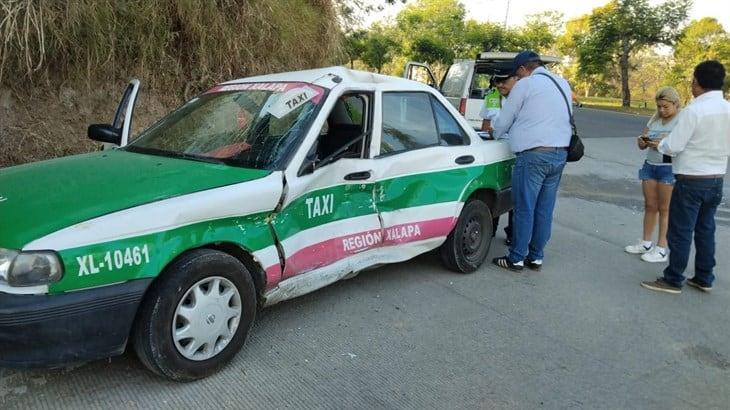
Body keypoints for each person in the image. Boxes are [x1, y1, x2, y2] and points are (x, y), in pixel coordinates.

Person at [641, 60, 730, 294]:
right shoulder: (727, 108)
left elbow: (674, 146)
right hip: (716, 177)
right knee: (705, 229)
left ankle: (673, 279)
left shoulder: (694, 110)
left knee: (680, 230)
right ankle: (703, 276)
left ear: (697, 82)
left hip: (691, 178)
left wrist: (661, 144)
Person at [490, 50, 572, 272]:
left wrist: (494, 134)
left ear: (524, 69)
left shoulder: (526, 85)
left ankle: (516, 258)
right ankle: (536, 257)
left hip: (533, 155)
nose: (517, 78)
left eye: (518, 74)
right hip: (559, 154)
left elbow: (504, 119)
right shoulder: (562, 84)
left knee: (525, 208)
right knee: (544, 209)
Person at [624, 87, 682, 263]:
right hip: (650, 165)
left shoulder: (681, 120)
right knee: (650, 205)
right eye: (659, 106)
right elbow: (644, 141)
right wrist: (642, 141)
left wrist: (662, 145)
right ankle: (646, 242)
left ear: (675, 104)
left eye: (665, 106)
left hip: (668, 167)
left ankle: (661, 248)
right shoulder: (655, 119)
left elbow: (680, 147)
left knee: (665, 209)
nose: (662, 110)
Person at [481, 72, 519, 245]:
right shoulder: (491, 97)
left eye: (504, 81)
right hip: (497, 152)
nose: (500, 85)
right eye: (497, 82)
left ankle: (513, 233)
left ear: (515, 79)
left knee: (516, 194)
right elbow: (486, 124)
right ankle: (489, 231)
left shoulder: (522, 98)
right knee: (494, 191)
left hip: (518, 151)